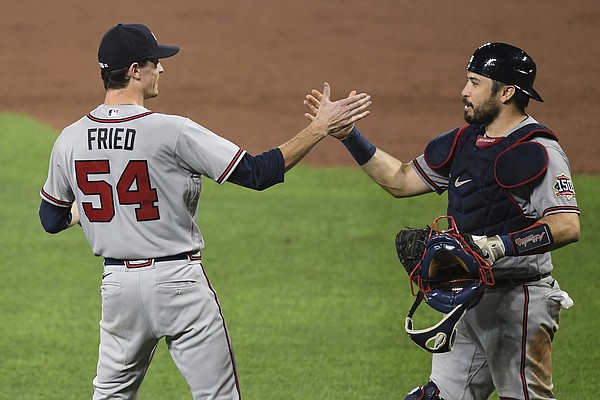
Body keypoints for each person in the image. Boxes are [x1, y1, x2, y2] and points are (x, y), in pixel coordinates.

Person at [39, 23, 371, 399]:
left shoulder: (69, 137)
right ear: (134, 71)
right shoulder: (172, 130)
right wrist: (319, 128)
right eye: (154, 62)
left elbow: (51, 218)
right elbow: (256, 173)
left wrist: (95, 207)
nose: (161, 68)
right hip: (179, 283)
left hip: (117, 290)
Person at [304, 42, 580, 400]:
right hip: (467, 295)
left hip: (520, 299)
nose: (464, 91)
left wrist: (498, 246)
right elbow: (401, 181)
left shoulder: (537, 150)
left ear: (507, 92)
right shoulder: (464, 143)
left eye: (475, 82)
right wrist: (349, 136)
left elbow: (566, 226)